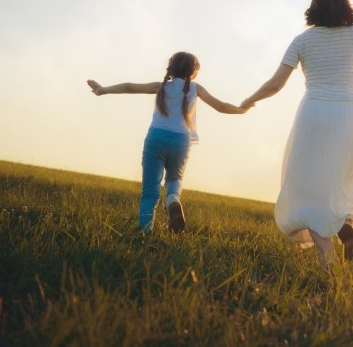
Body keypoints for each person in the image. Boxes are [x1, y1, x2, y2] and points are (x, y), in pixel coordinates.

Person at [240, 0, 353, 265]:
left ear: (314, 7)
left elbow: (276, 84)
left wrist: (250, 99)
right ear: (344, 5)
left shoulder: (302, 40)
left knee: (309, 186)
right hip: (349, 115)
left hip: (314, 114)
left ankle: (327, 258)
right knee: (340, 179)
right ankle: (345, 225)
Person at [87, 51, 247, 234]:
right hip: (181, 141)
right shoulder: (196, 89)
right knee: (174, 180)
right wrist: (242, 109)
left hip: (156, 137)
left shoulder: (161, 87)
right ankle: (172, 199)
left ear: (170, 69)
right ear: (192, 72)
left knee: (150, 191)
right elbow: (221, 107)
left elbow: (130, 87)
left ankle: (144, 234)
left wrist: (103, 90)